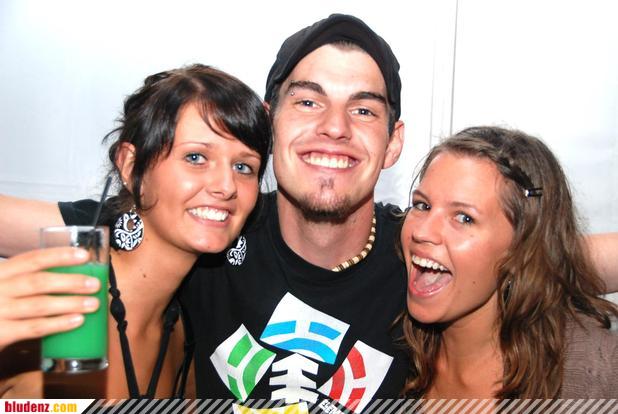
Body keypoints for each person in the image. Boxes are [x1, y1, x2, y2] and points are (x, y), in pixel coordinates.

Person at [2, 13, 618, 407]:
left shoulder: (422, 254)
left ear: (394, 143)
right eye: (308, 101)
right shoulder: (209, 229)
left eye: (364, 109)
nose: (335, 128)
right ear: (270, 125)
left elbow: (546, 256)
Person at [0, 63, 272, 398]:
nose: (226, 185)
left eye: (244, 167)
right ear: (131, 166)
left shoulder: (182, 337)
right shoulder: (58, 310)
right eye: (196, 157)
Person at [400, 126, 618, 399]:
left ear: (521, 245)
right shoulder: (388, 340)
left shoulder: (595, 376)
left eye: (464, 218)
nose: (422, 232)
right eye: (422, 205)